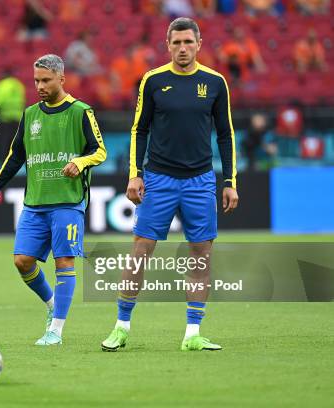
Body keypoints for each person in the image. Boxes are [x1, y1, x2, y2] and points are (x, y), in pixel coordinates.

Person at [100, 17, 239, 352]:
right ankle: (121, 327)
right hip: (159, 179)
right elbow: (139, 129)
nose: (182, 49)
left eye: (188, 42)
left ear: (199, 44)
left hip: (200, 180)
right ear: (167, 45)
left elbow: (226, 133)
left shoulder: (215, 82)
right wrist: (135, 173)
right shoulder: (153, 80)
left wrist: (230, 180)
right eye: (176, 43)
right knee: (140, 253)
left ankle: (193, 333)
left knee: (200, 256)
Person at [0, 54, 107, 346]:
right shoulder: (30, 114)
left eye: (46, 80)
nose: (40, 86)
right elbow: (15, 158)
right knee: (22, 261)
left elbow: (100, 151)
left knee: (64, 262)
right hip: (35, 204)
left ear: (62, 79)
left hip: (67, 202)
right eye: (36, 80)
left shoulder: (81, 112)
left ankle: (56, 331)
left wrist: (82, 162)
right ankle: (51, 305)